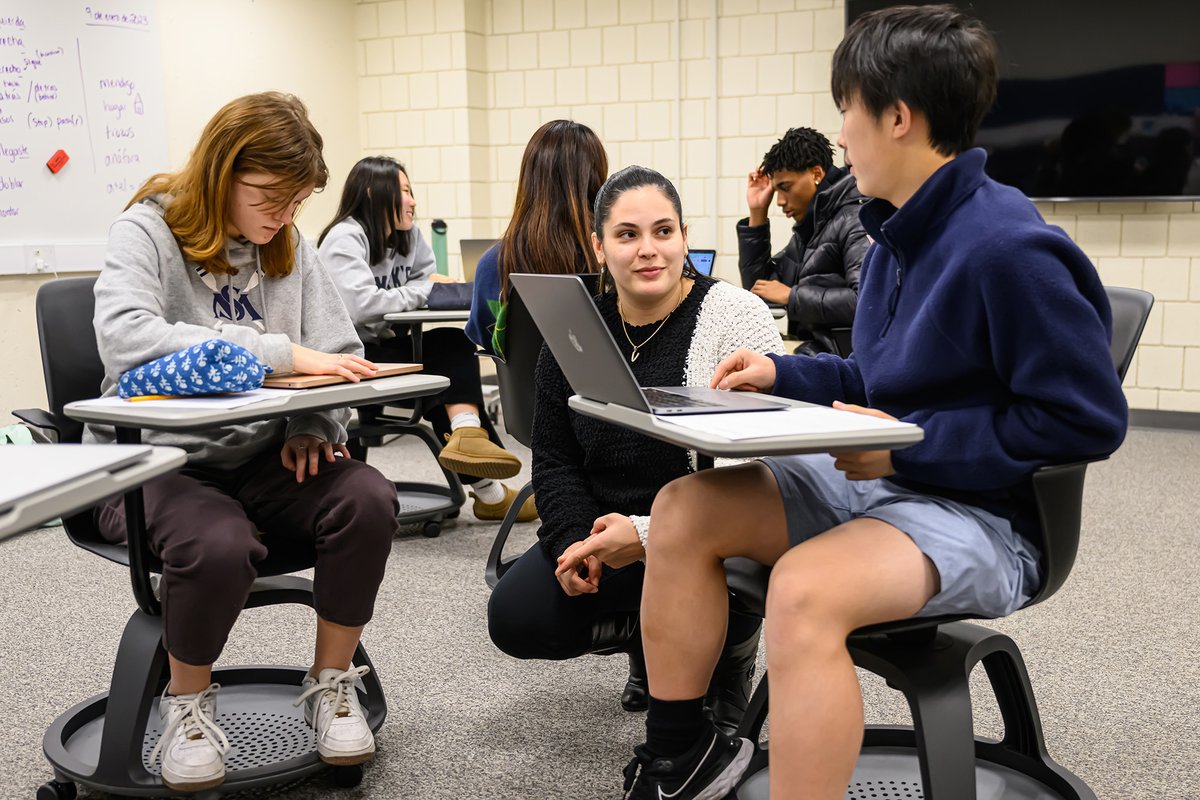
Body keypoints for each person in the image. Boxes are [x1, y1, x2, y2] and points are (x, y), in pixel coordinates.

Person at [591, 7, 1130, 799]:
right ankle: (681, 760)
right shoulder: (894, 239)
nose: (840, 135)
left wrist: (911, 446)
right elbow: (879, 382)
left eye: (848, 110)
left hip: (987, 518)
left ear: (898, 118)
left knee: (804, 590)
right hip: (891, 483)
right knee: (682, 508)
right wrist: (784, 376)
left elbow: (1086, 422)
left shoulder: (1010, 249)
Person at [86, 92, 399, 792]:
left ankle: (332, 682)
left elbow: (339, 352)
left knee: (369, 498)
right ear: (223, 171)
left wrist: (313, 424)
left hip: (259, 458)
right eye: (271, 197)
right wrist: (277, 352)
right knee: (217, 543)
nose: (285, 217)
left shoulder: (291, 243)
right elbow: (126, 338)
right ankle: (187, 707)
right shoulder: (147, 231)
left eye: (298, 203)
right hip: (149, 462)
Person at [488, 165, 785, 732]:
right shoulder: (577, 328)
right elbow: (553, 457)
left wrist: (646, 535)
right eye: (627, 235)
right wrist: (579, 539)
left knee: (728, 568)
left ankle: (730, 654)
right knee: (517, 617)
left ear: (684, 236)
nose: (648, 250)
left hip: (708, 537)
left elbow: (758, 471)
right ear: (600, 246)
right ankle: (652, 644)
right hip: (607, 529)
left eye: (663, 231)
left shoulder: (733, 316)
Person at [318, 156, 535, 523]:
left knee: (449, 352)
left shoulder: (409, 236)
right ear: (374, 193)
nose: (413, 201)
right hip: (348, 356)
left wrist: (420, 289)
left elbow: (426, 283)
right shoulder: (344, 238)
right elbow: (362, 306)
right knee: (447, 360)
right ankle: (486, 482)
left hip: (389, 345)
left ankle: (469, 438)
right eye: (404, 191)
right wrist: (420, 290)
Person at [465, 119, 607, 358]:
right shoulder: (611, 255)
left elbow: (486, 338)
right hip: (600, 393)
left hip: (522, 395)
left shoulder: (493, 263)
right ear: (596, 179)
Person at [738, 126, 870, 355]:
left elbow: (866, 301)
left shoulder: (853, 218)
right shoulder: (812, 228)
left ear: (816, 174)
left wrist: (792, 296)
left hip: (842, 365)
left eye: (785, 188)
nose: (779, 201)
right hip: (817, 357)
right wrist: (757, 212)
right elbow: (761, 291)